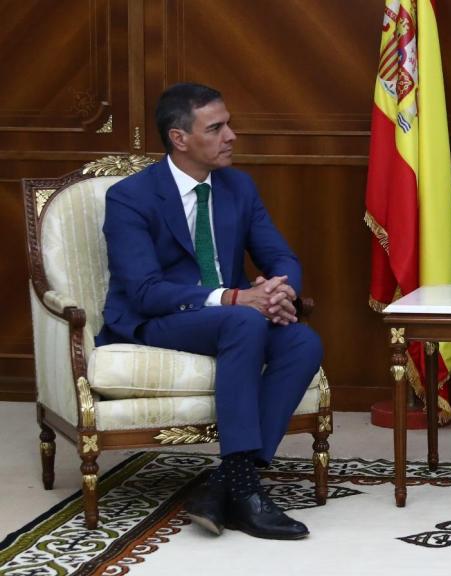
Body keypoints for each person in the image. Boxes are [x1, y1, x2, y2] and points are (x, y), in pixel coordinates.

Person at [98, 83, 323, 540]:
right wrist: (235, 298)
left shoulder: (238, 186)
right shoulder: (130, 198)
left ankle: (229, 482)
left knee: (302, 339)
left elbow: (282, 258)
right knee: (242, 318)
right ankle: (244, 489)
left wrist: (282, 293)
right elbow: (143, 291)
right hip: (159, 318)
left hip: (230, 318)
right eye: (216, 128)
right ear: (180, 138)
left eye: (228, 124)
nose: (231, 136)